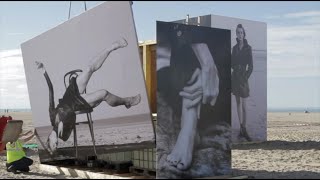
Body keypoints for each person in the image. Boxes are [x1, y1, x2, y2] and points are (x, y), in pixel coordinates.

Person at [35, 37, 141, 155]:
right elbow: (73, 117)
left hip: (70, 94)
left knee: (89, 69)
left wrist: (43, 70)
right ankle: (127, 101)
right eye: (57, 146)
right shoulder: (64, 135)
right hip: (77, 105)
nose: (57, 144)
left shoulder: (51, 117)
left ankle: (112, 47)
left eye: (54, 144)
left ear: (49, 139)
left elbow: (51, 91)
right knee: (104, 93)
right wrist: (82, 108)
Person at [157, 22, 220, 171]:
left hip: (219, 78)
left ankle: (189, 125)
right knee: (186, 57)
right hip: (184, 65)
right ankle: (189, 121)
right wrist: (206, 62)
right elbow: (172, 31)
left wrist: (209, 68)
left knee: (194, 66)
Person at [231, 24, 253, 141]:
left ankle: (245, 128)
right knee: (238, 104)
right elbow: (231, 63)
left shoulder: (248, 48)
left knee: (244, 105)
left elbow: (251, 66)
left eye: (241, 32)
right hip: (235, 77)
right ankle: (240, 129)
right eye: (238, 32)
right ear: (236, 34)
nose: (239, 34)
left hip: (243, 78)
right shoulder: (234, 48)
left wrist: (246, 77)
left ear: (244, 34)